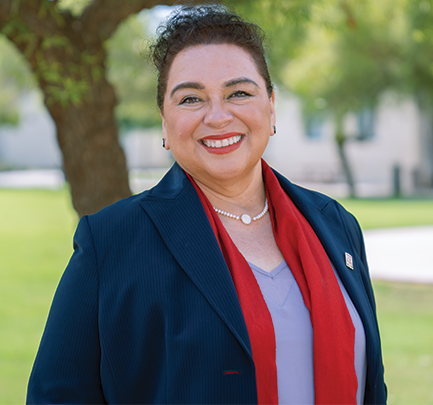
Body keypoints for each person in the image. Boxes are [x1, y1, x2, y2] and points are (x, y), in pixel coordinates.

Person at [26, 5, 386, 405]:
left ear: (270, 106)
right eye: (191, 99)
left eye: (239, 93)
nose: (217, 116)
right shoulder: (110, 242)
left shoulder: (335, 225)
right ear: (164, 121)